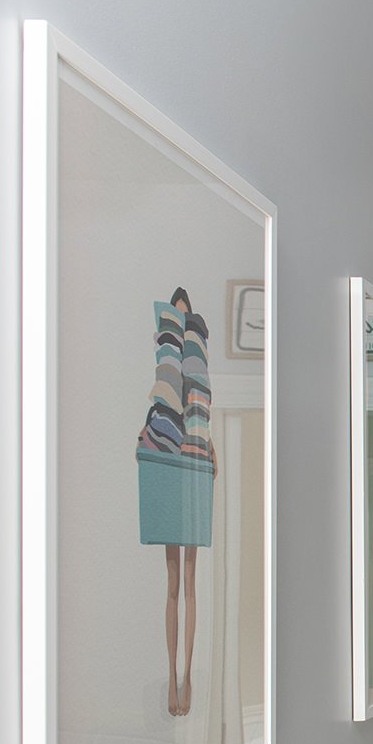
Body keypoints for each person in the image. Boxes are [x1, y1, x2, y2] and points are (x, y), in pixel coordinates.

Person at [135, 287, 216, 717]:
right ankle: (173, 676)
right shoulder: (169, 371)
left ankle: (187, 676)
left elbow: (201, 410)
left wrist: (210, 455)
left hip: (194, 460)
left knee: (190, 581)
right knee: (174, 583)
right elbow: (160, 405)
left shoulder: (196, 374)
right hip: (173, 461)